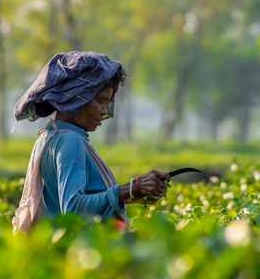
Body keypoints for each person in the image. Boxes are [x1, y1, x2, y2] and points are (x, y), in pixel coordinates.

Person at [11, 51, 171, 234]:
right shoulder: (70, 140)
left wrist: (130, 195)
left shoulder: (49, 135)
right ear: (75, 97)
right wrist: (131, 187)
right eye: (100, 101)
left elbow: (65, 200)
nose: (104, 111)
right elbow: (73, 208)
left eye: (107, 103)